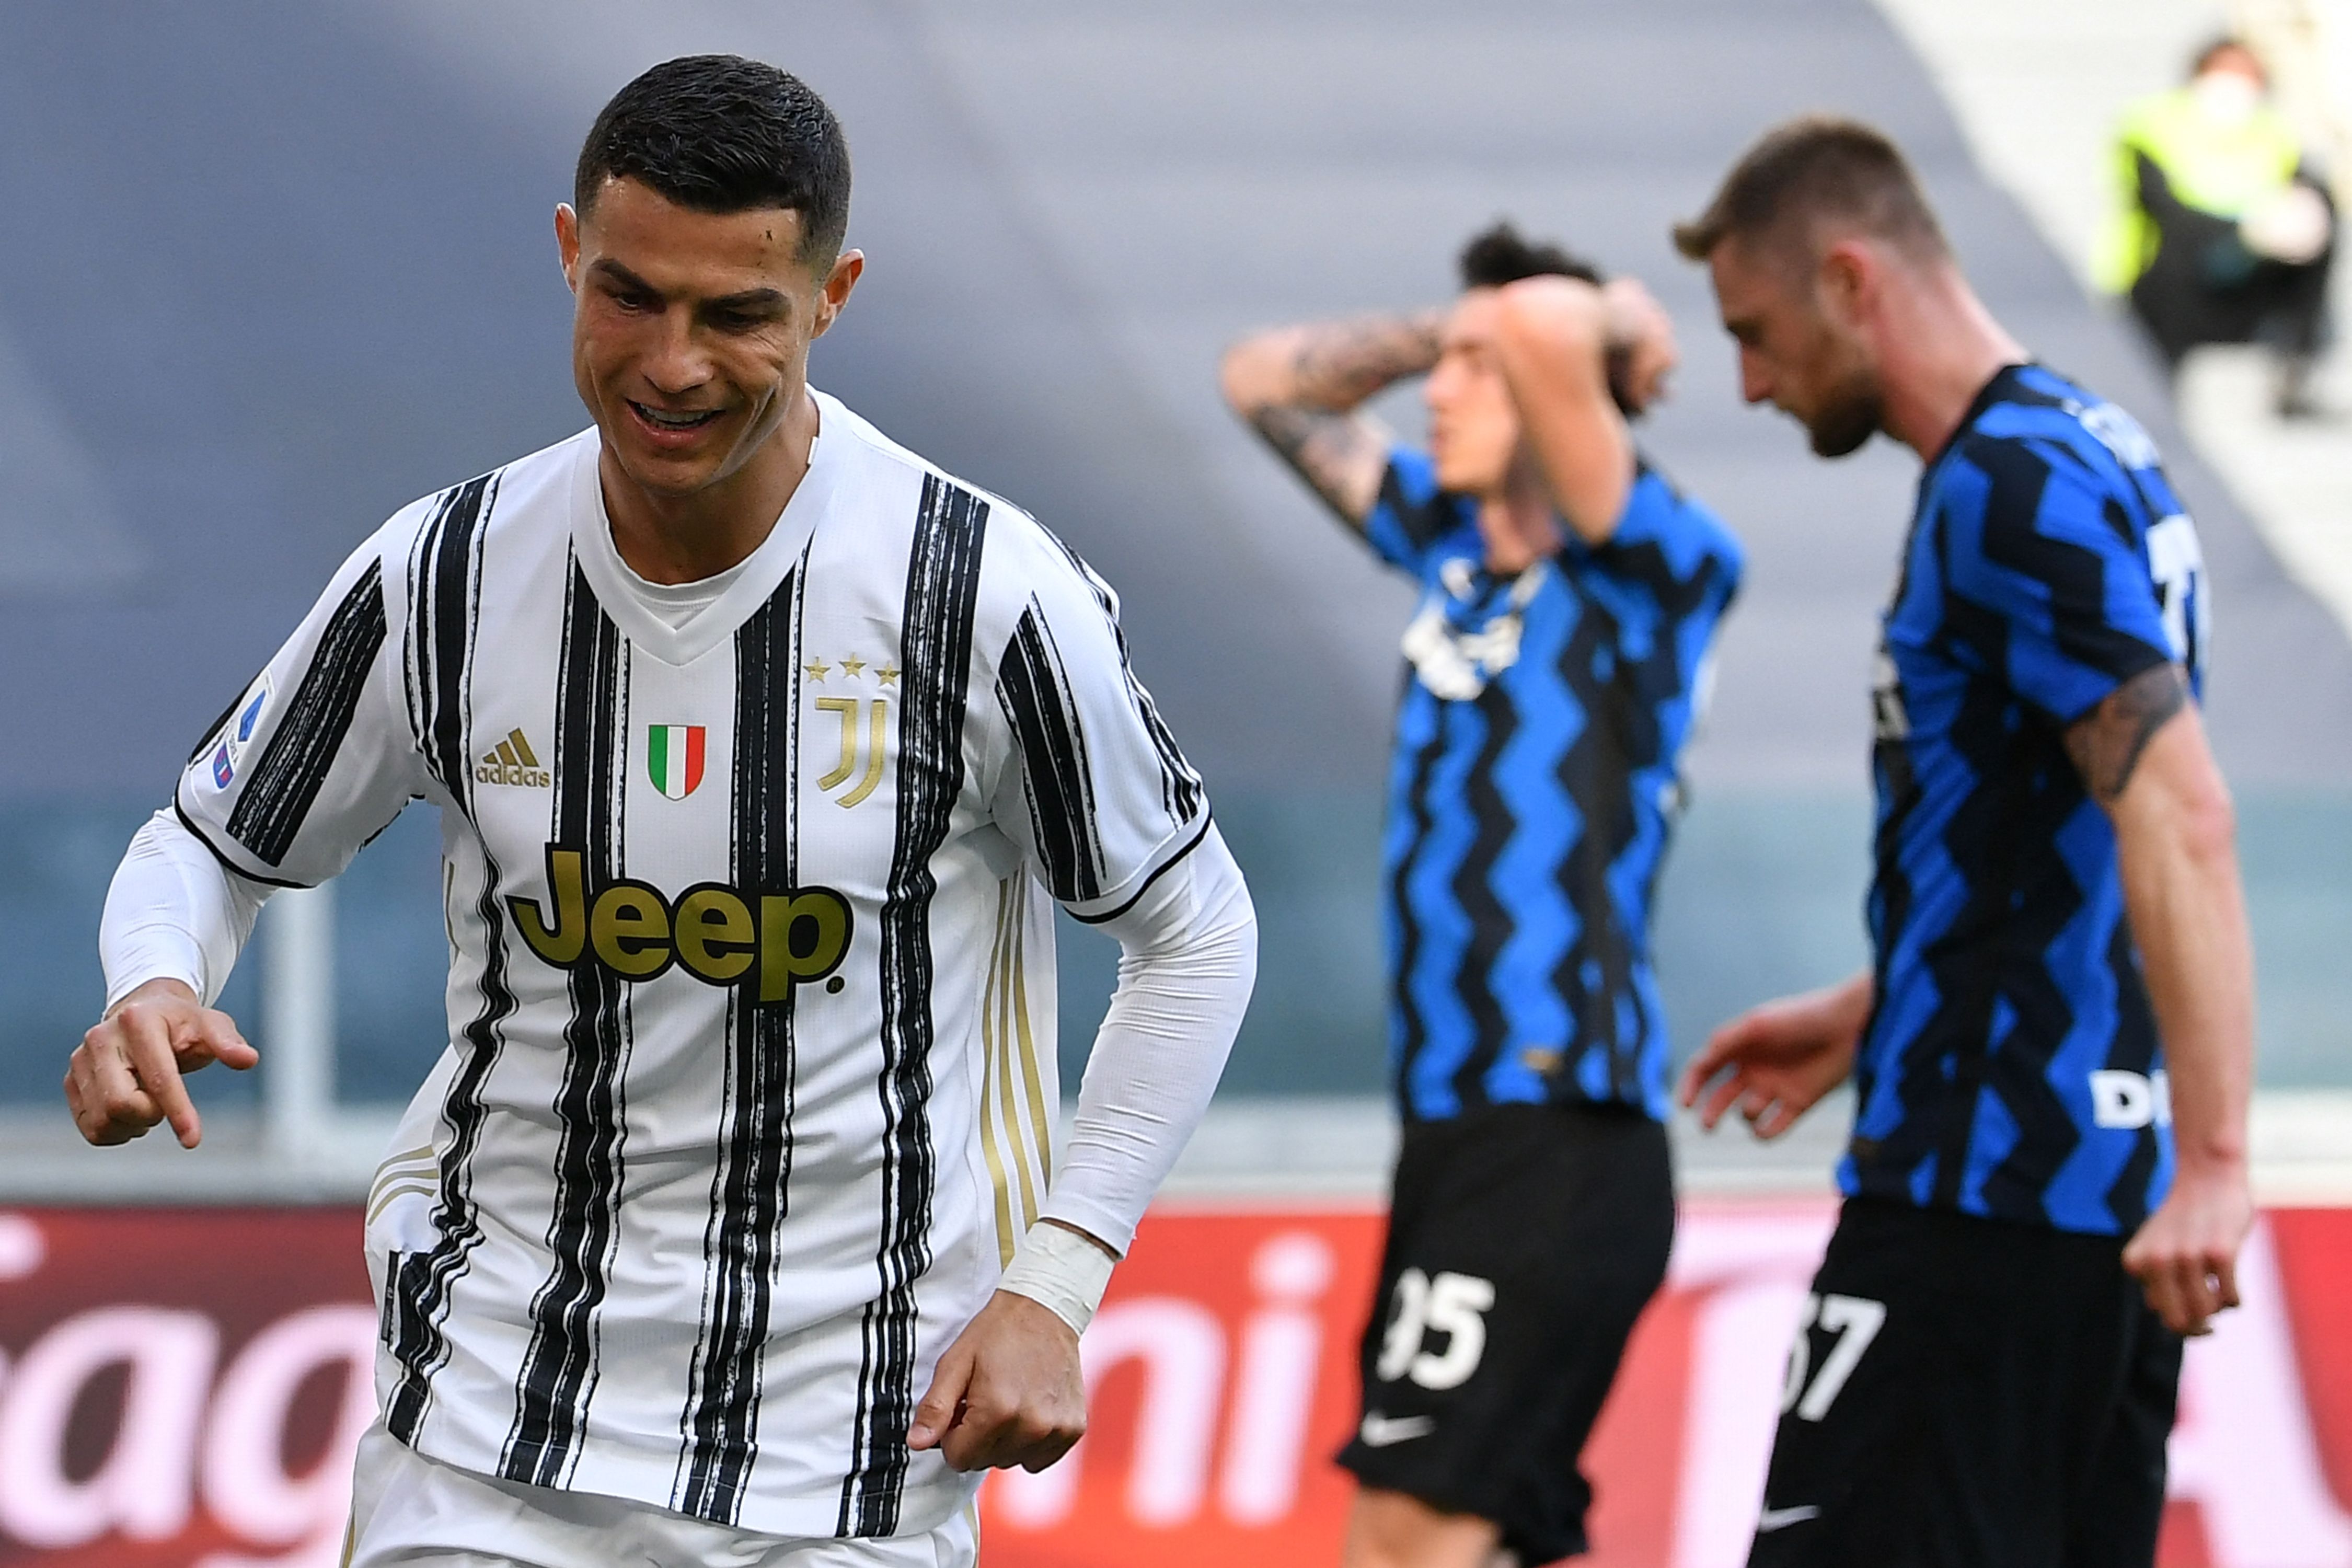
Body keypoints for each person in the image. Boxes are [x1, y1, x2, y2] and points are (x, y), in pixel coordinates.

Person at [66, 54, 1257, 1568]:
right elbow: (209, 843)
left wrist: (1058, 1283)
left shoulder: (981, 594)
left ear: (833, 300)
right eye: (630, 295)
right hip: (490, 1432)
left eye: (737, 315)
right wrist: (155, 979)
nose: (672, 362)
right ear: (569, 252)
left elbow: (1195, 930)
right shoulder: (445, 573)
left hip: (848, 1462)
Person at [1674, 117, 2255, 1567]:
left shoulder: (2008, 490)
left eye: (1754, 330)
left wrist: (2221, 1159)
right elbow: (2065, 833)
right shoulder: (2094, 451)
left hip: (1979, 1205)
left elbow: (2178, 811)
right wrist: (1889, 1008)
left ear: (1852, 278)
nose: (1747, 381)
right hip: (2065, 1209)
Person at [1220, 224, 1744, 1568]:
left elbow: (1572, 360)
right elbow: (1258, 382)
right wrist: (1465, 321)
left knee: (1401, 1533)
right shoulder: (1447, 546)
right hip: (1457, 1133)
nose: (1434, 391)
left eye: (1476, 367)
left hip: (1556, 1131)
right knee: (1475, 1537)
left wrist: (1591, 317)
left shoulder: (1642, 572)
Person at [2097, 37, 2336, 415]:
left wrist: (2293, 223)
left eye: (2247, 76)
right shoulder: (2149, 126)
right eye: (2225, 72)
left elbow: (2302, 192)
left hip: (2254, 273)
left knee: (2316, 226)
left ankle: (2296, 370)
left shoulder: (2275, 133)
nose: (2234, 86)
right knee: (2178, 258)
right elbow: (2164, 208)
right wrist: (2242, 232)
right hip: (2170, 276)